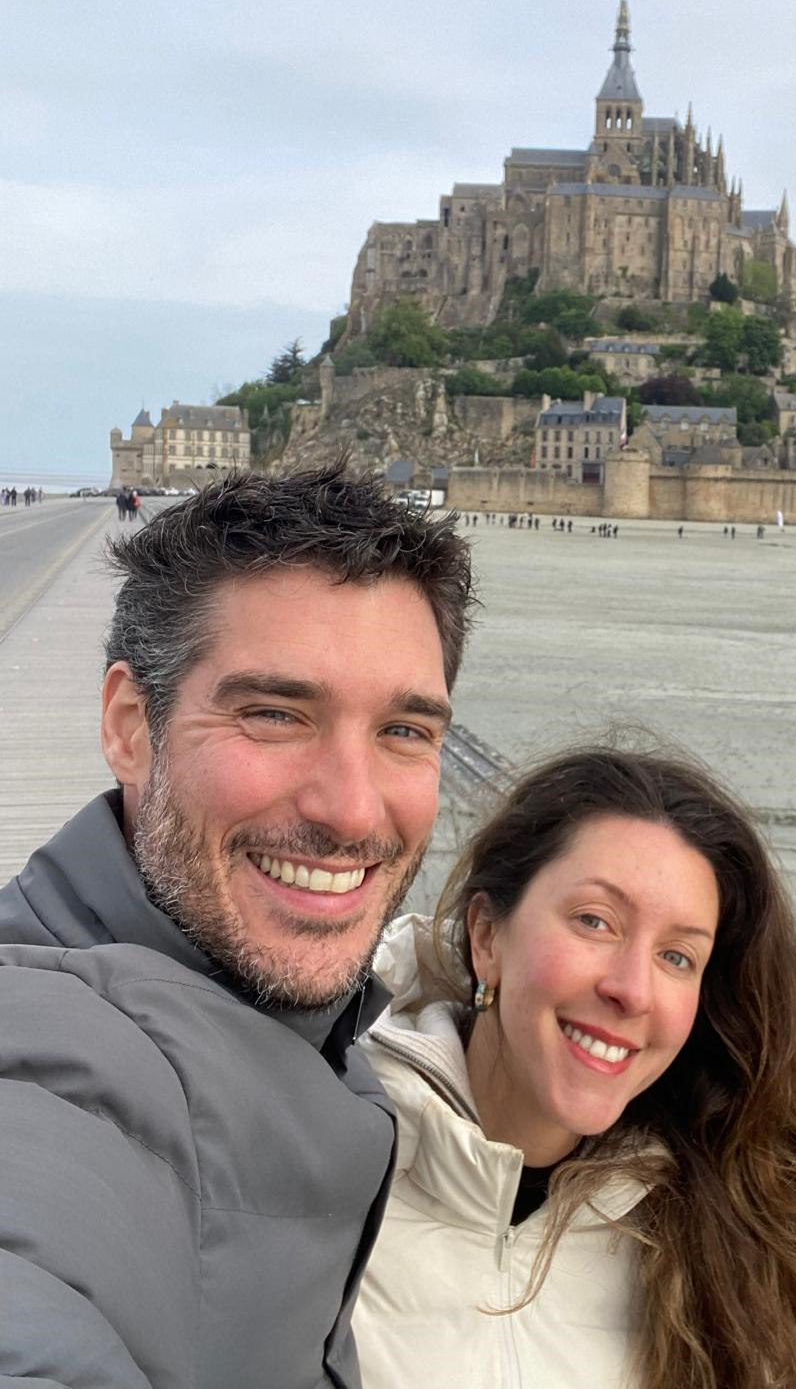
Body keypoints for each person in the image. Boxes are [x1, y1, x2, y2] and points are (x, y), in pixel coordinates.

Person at [0, 464, 474, 1388]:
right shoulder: (53, 1062)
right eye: (274, 713)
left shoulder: (314, 1025)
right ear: (130, 726)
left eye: (404, 731)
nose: (352, 809)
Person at [355, 747, 796, 1389]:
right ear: (487, 936)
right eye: (595, 922)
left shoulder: (724, 1242)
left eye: (677, 957)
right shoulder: (321, 1166)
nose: (633, 990)